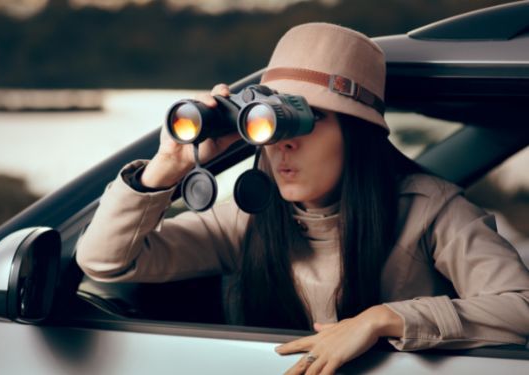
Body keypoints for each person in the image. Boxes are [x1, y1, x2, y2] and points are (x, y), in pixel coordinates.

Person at [76, 23, 529, 375]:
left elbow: (520, 307)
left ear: (357, 134)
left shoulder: (428, 209)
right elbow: (105, 262)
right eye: (269, 127)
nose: (282, 146)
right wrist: (167, 165)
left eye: (307, 122)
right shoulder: (250, 217)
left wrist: (382, 319)